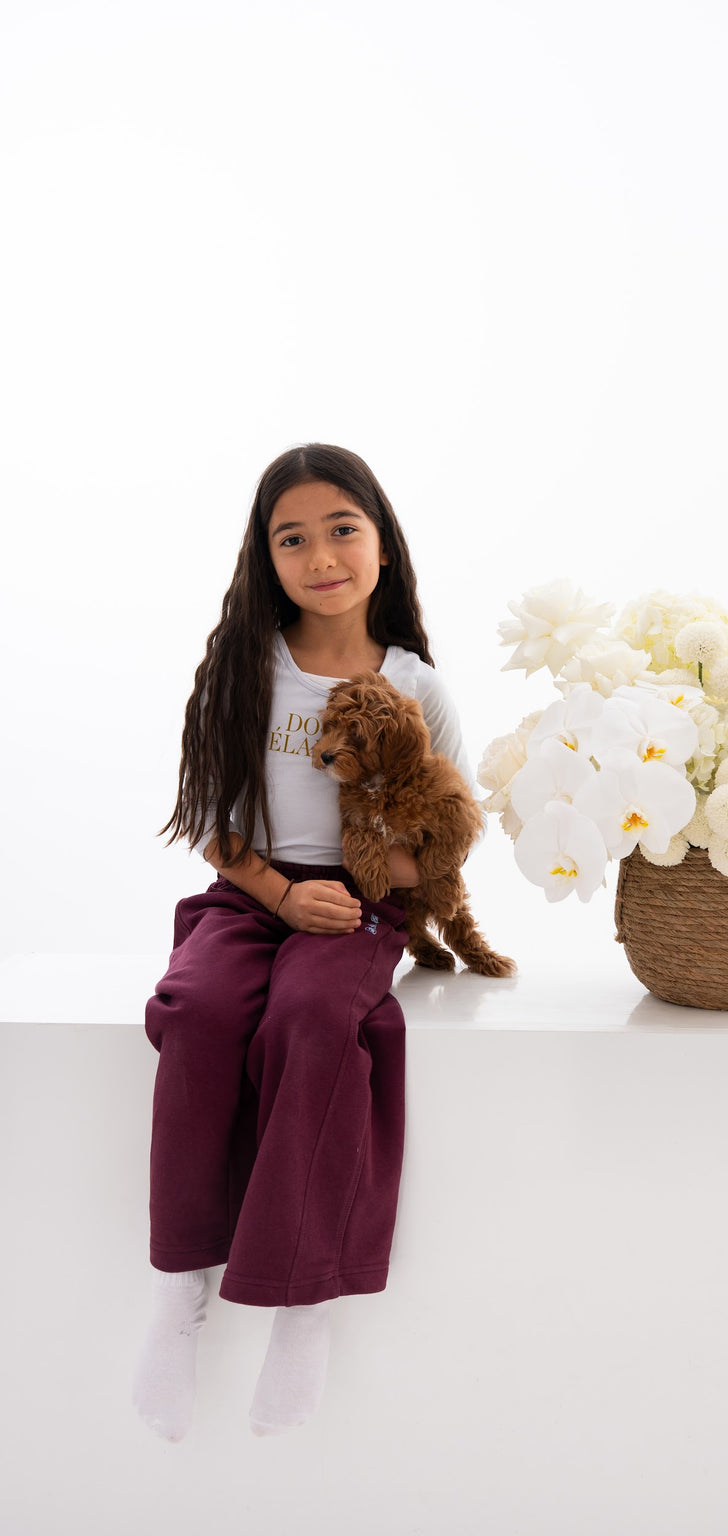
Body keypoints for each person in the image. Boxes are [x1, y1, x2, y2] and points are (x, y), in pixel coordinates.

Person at [131, 443, 481, 1441]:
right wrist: (282, 895)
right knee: (197, 1011)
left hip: (365, 897)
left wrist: (378, 887)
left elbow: (456, 830)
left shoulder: (418, 685)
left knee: (315, 1017)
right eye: (293, 538)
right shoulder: (250, 670)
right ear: (265, 555)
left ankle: (302, 1303)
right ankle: (177, 1286)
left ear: (382, 544)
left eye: (342, 530)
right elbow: (215, 825)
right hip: (254, 889)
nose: (320, 555)